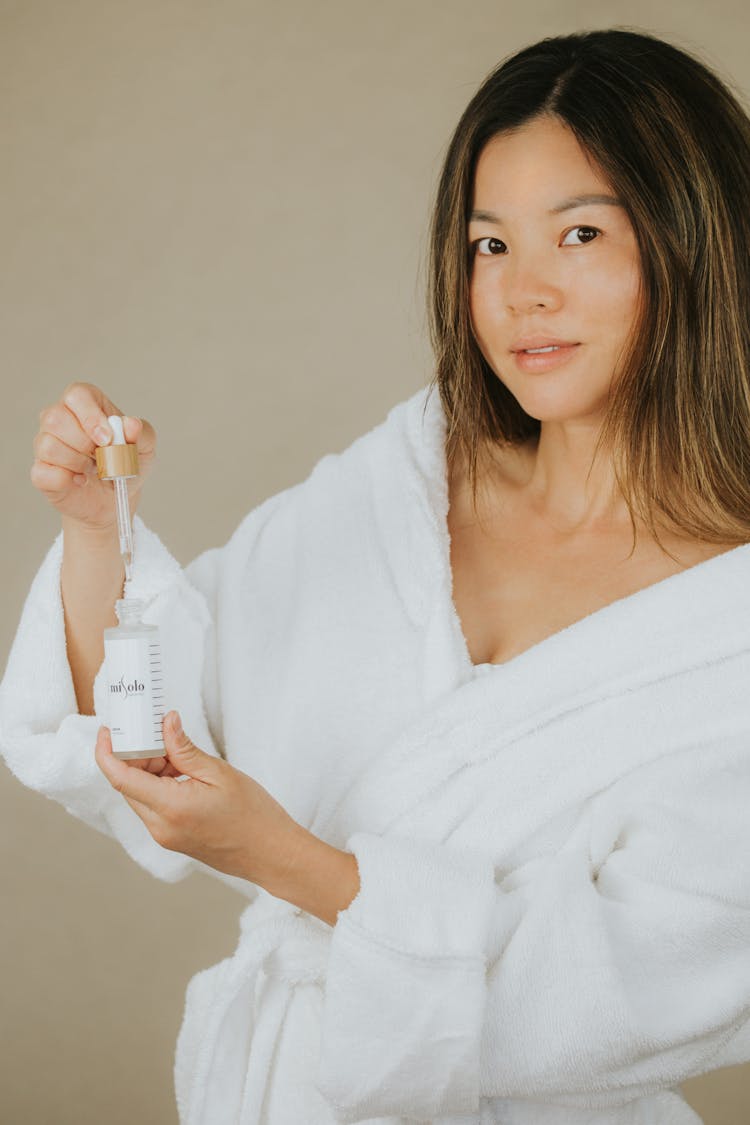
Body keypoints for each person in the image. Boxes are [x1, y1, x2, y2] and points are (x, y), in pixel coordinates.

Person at [2, 25, 750, 1125]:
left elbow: (625, 998)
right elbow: (157, 717)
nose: (521, 292)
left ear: (698, 245)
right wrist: (95, 531)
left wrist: (291, 862)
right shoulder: (406, 482)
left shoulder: (725, 625)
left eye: (578, 233)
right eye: (489, 245)